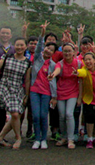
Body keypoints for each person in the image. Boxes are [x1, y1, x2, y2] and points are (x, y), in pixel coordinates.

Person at [0, 37, 32, 150]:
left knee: (15, 115)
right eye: (17, 45)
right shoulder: (7, 57)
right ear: (14, 46)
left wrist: (26, 95)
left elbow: (27, 80)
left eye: (21, 45)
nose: (19, 47)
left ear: (25, 47)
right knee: (15, 114)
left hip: (17, 89)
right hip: (5, 86)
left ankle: (0, 137)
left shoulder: (28, 63)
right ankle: (18, 138)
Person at [29, 22, 58, 150]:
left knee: (43, 115)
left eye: (51, 50)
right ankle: (37, 139)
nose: (48, 50)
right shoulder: (37, 59)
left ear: (53, 53)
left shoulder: (53, 64)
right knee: (35, 115)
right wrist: (43, 33)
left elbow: (53, 82)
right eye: (47, 48)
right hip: (34, 91)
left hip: (46, 93)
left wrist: (54, 96)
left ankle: (43, 139)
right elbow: (39, 45)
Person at [48, 41, 80, 150]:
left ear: (73, 52)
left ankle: (70, 139)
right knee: (61, 116)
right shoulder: (60, 63)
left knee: (69, 114)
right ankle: (63, 136)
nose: (67, 53)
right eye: (65, 51)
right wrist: (53, 75)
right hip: (61, 91)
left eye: (69, 51)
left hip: (73, 92)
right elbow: (57, 70)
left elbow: (84, 73)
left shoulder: (78, 63)